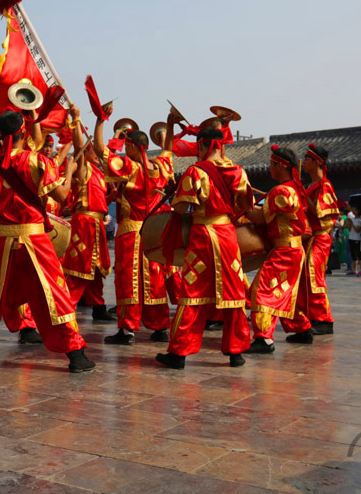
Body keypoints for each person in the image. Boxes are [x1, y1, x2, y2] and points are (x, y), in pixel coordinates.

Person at [0, 110, 94, 372]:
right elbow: (61, 197)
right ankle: (75, 354)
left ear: (1, 135)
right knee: (54, 293)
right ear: (22, 133)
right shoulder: (38, 162)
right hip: (33, 239)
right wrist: (70, 171)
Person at [155, 128, 253, 369]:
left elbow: (179, 209)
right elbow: (244, 205)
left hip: (202, 238)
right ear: (221, 146)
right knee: (233, 291)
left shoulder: (195, 172)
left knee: (193, 291)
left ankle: (178, 353)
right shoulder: (237, 171)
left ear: (201, 146)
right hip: (228, 237)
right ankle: (236, 353)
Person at [94, 103, 177, 345]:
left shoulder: (129, 168)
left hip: (131, 231)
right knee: (155, 278)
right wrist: (170, 125)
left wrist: (101, 121)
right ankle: (160, 326)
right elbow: (168, 149)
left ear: (130, 146)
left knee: (128, 278)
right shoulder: (159, 167)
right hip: (153, 232)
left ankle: (128, 328)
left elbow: (100, 150)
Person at [245, 146, 310, 354]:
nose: (269, 169)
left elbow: (260, 218)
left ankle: (264, 339)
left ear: (280, 166)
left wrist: (241, 205)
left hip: (285, 251)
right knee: (283, 292)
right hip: (292, 249)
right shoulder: (293, 189)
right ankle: (302, 330)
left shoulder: (280, 191)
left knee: (261, 290)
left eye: (271, 165)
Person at [281, 143, 337, 340]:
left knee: (315, 279)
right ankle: (311, 317)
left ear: (316, 162)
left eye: (307, 159)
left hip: (319, 238)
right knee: (305, 279)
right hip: (309, 238)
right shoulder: (311, 186)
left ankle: (324, 320)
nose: (304, 162)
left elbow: (323, 216)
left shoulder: (325, 186)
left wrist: (302, 198)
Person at [62, 108, 113, 321]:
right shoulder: (83, 169)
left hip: (97, 224)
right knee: (79, 268)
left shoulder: (101, 174)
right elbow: (77, 147)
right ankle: (65, 308)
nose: (98, 153)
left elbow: (100, 201)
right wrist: (76, 119)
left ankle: (99, 307)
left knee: (97, 270)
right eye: (93, 149)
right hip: (83, 224)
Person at [347, 205, 361, 276]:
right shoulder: (352, 218)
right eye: (352, 210)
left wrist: (352, 223)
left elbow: (358, 230)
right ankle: (354, 269)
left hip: (357, 239)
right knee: (353, 254)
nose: (353, 212)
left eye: (355, 210)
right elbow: (349, 229)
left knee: (359, 254)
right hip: (351, 238)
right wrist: (348, 223)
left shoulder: (360, 220)